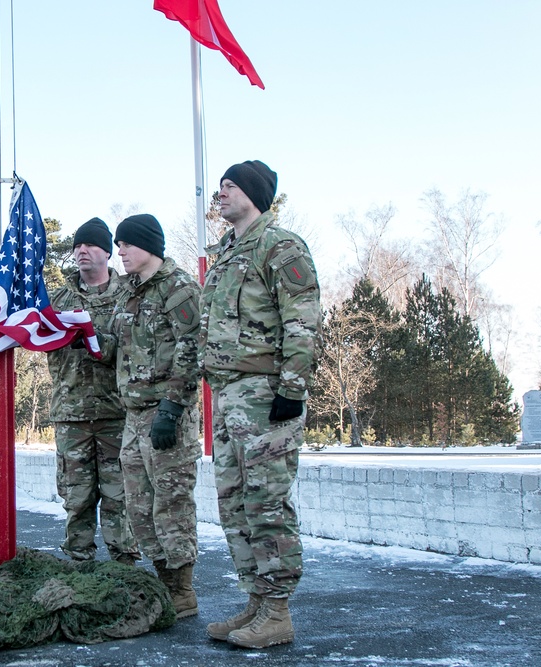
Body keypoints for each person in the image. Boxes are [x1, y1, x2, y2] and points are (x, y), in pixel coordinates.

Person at [199, 160, 320, 648]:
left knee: (267, 501)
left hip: (265, 393)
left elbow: (302, 318)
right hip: (228, 393)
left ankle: (277, 611)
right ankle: (255, 599)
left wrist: (292, 389)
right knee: (233, 503)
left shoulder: (281, 245)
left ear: (254, 193)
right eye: (221, 187)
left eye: (230, 187)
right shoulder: (226, 252)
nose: (221, 194)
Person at [97, 213, 202, 618]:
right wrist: (86, 339)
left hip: (166, 414)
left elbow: (192, 347)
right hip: (134, 415)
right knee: (138, 505)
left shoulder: (177, 289)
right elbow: (122, 349)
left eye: (125, 244)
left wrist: (173, 406)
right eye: (118, 245)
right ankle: (161, 579)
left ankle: (181, 589)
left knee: (171, 503)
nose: (119, 251)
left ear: (149, 246)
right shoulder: (129, 292)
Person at [46, 218, 140, 566]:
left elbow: (140, 346)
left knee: (120, 495)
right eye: (77, 246)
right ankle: (79, 563)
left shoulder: (130, 294)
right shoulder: (56, 299)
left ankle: (124, 565)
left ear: (107, 253)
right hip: (71, 414)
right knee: (76, 496)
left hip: (117, 411)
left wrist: (102, 341)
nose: (81, 251)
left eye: (89, 245)